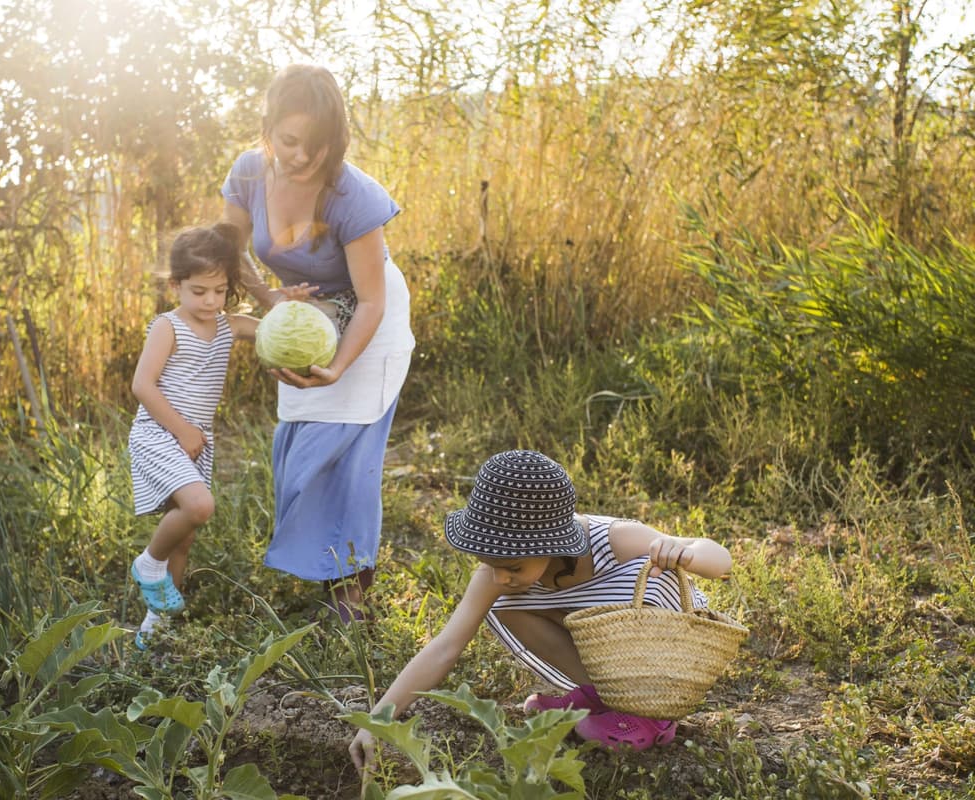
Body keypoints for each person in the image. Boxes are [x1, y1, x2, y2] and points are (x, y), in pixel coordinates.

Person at [348, 449, 734, 770]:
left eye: (512, 566)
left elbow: (722, 560)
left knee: (650, 579)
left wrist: (685, 552)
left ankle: (652, 713)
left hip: (659, 653)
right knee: (507, 605)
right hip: (607, 657)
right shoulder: (496, 575)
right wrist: (378, 720)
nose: (499, 575)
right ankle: (604, 694)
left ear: (552, 543)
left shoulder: (615, 540)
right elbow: (445, 647)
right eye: (490, 561)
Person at [220, 64, 415, 622]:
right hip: (307, 317)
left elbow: (372, 301)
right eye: (289, 140)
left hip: (367, 324)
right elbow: (232, 252)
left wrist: (339, 366)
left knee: (348, 454)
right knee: (302, 452)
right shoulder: (249, 174)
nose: (301, 156)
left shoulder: (353, 195)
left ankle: (352, 592)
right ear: (269, 126)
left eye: (317, 144)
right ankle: (328, 566)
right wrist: (269, 300)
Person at [127, 221, 310, 649]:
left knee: (185, 538)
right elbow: (142, 386)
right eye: (198, 291)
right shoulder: (167, 327)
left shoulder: (227, 325)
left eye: (220, 290)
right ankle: (148, 564)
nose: (210, 301)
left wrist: (291, 304)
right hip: (160, 431)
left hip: (194, 441)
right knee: (199, 506)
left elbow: (272, 326)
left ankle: (157, 630)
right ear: (176, 285)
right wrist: (183, 429)